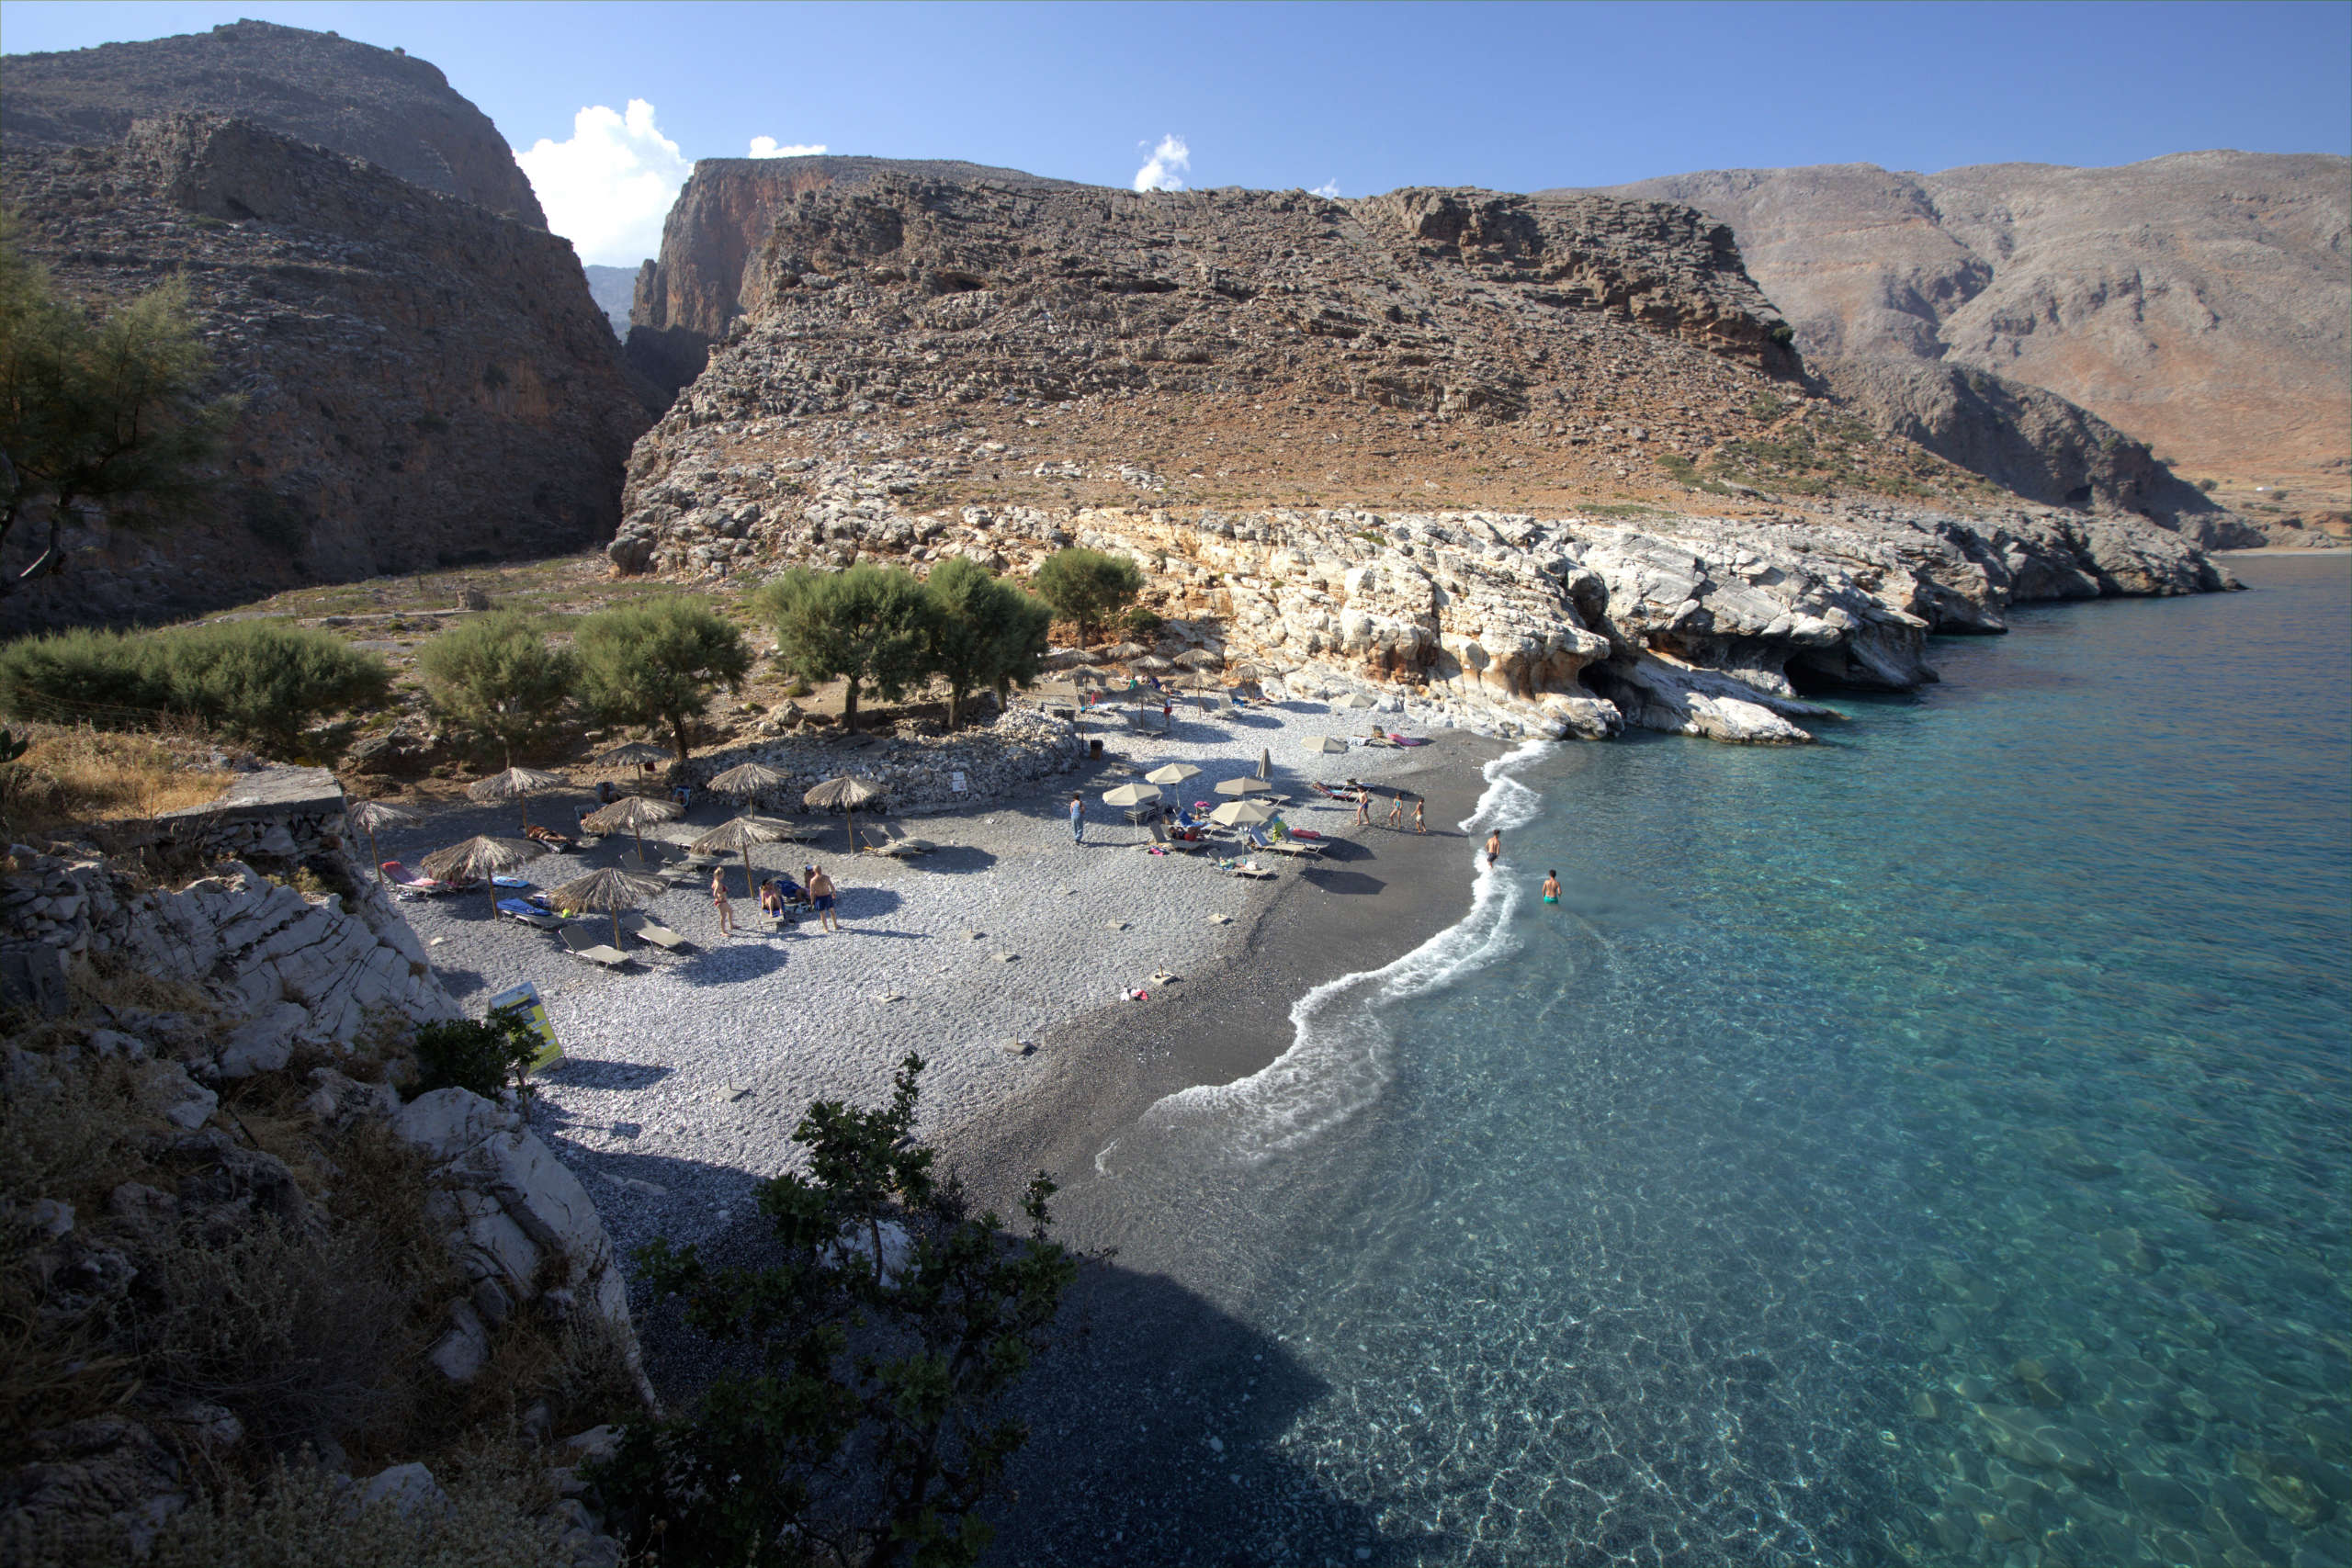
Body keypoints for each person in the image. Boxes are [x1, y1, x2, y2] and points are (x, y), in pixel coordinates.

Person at [807, 863, 839, 931]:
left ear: (814, 871)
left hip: (820, 897)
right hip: (827, 896)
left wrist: (812, 901)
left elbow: (812, 892)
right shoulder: (826, 877)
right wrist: (834, 893)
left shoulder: (812, 880)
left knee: (822, 914)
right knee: (832, 911)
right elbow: (832, 886)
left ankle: (826, 928)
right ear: (821, 870)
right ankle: (835, 925)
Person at [709, 864, 735, 936]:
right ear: (719, 875)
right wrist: (718, 899)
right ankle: (723, 931)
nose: (723, 876)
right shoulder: (717, 883)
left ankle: (732, 925)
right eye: (722, 874)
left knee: (730, 911)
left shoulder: (715, 881)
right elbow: (714, 893)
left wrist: (724, 888)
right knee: (723, 916)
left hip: (723, 901)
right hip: (721, 902)